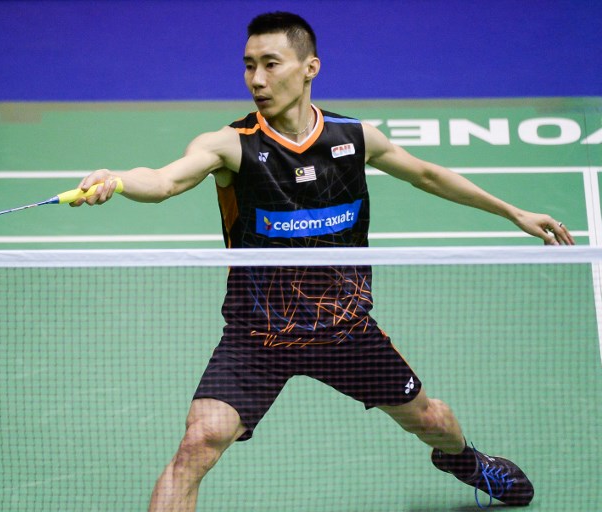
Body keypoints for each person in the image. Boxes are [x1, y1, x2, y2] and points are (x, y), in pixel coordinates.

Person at [72, 12, 575, 511]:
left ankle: (465, 463)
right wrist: (117, 179)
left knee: (434, 423)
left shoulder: (351, 138)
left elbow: (427, 174)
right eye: (249, 66)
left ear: (310, 67)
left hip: (345, 331)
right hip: (258, 335)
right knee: (198, 442)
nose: (257, 79)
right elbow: (164, 181)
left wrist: (514, 212)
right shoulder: (230, 145)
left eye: (271, 64)